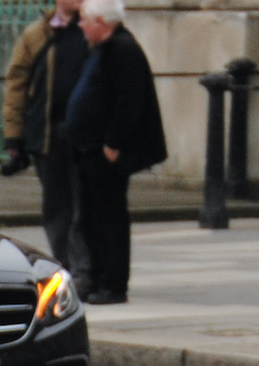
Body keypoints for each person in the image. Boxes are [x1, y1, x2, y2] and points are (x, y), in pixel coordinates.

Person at [60, 0, 164, 305]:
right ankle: (98, 278)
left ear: (101, 21)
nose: (79, 26)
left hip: (104, 152)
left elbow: (129, 101)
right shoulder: (102, 48)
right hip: (88, 149)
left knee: (110, 220)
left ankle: (113, 283)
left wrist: (113, 143)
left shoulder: (122, 49)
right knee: (92, 218)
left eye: (84, 20)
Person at [0, 0, 89, 290]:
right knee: (56, 205)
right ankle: (64, 266)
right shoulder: (35, 34)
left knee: (84, 205)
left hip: (85, 135)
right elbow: (16, 85)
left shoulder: (93, 28)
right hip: (47, 134)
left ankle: (84, 269)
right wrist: (14, 135)